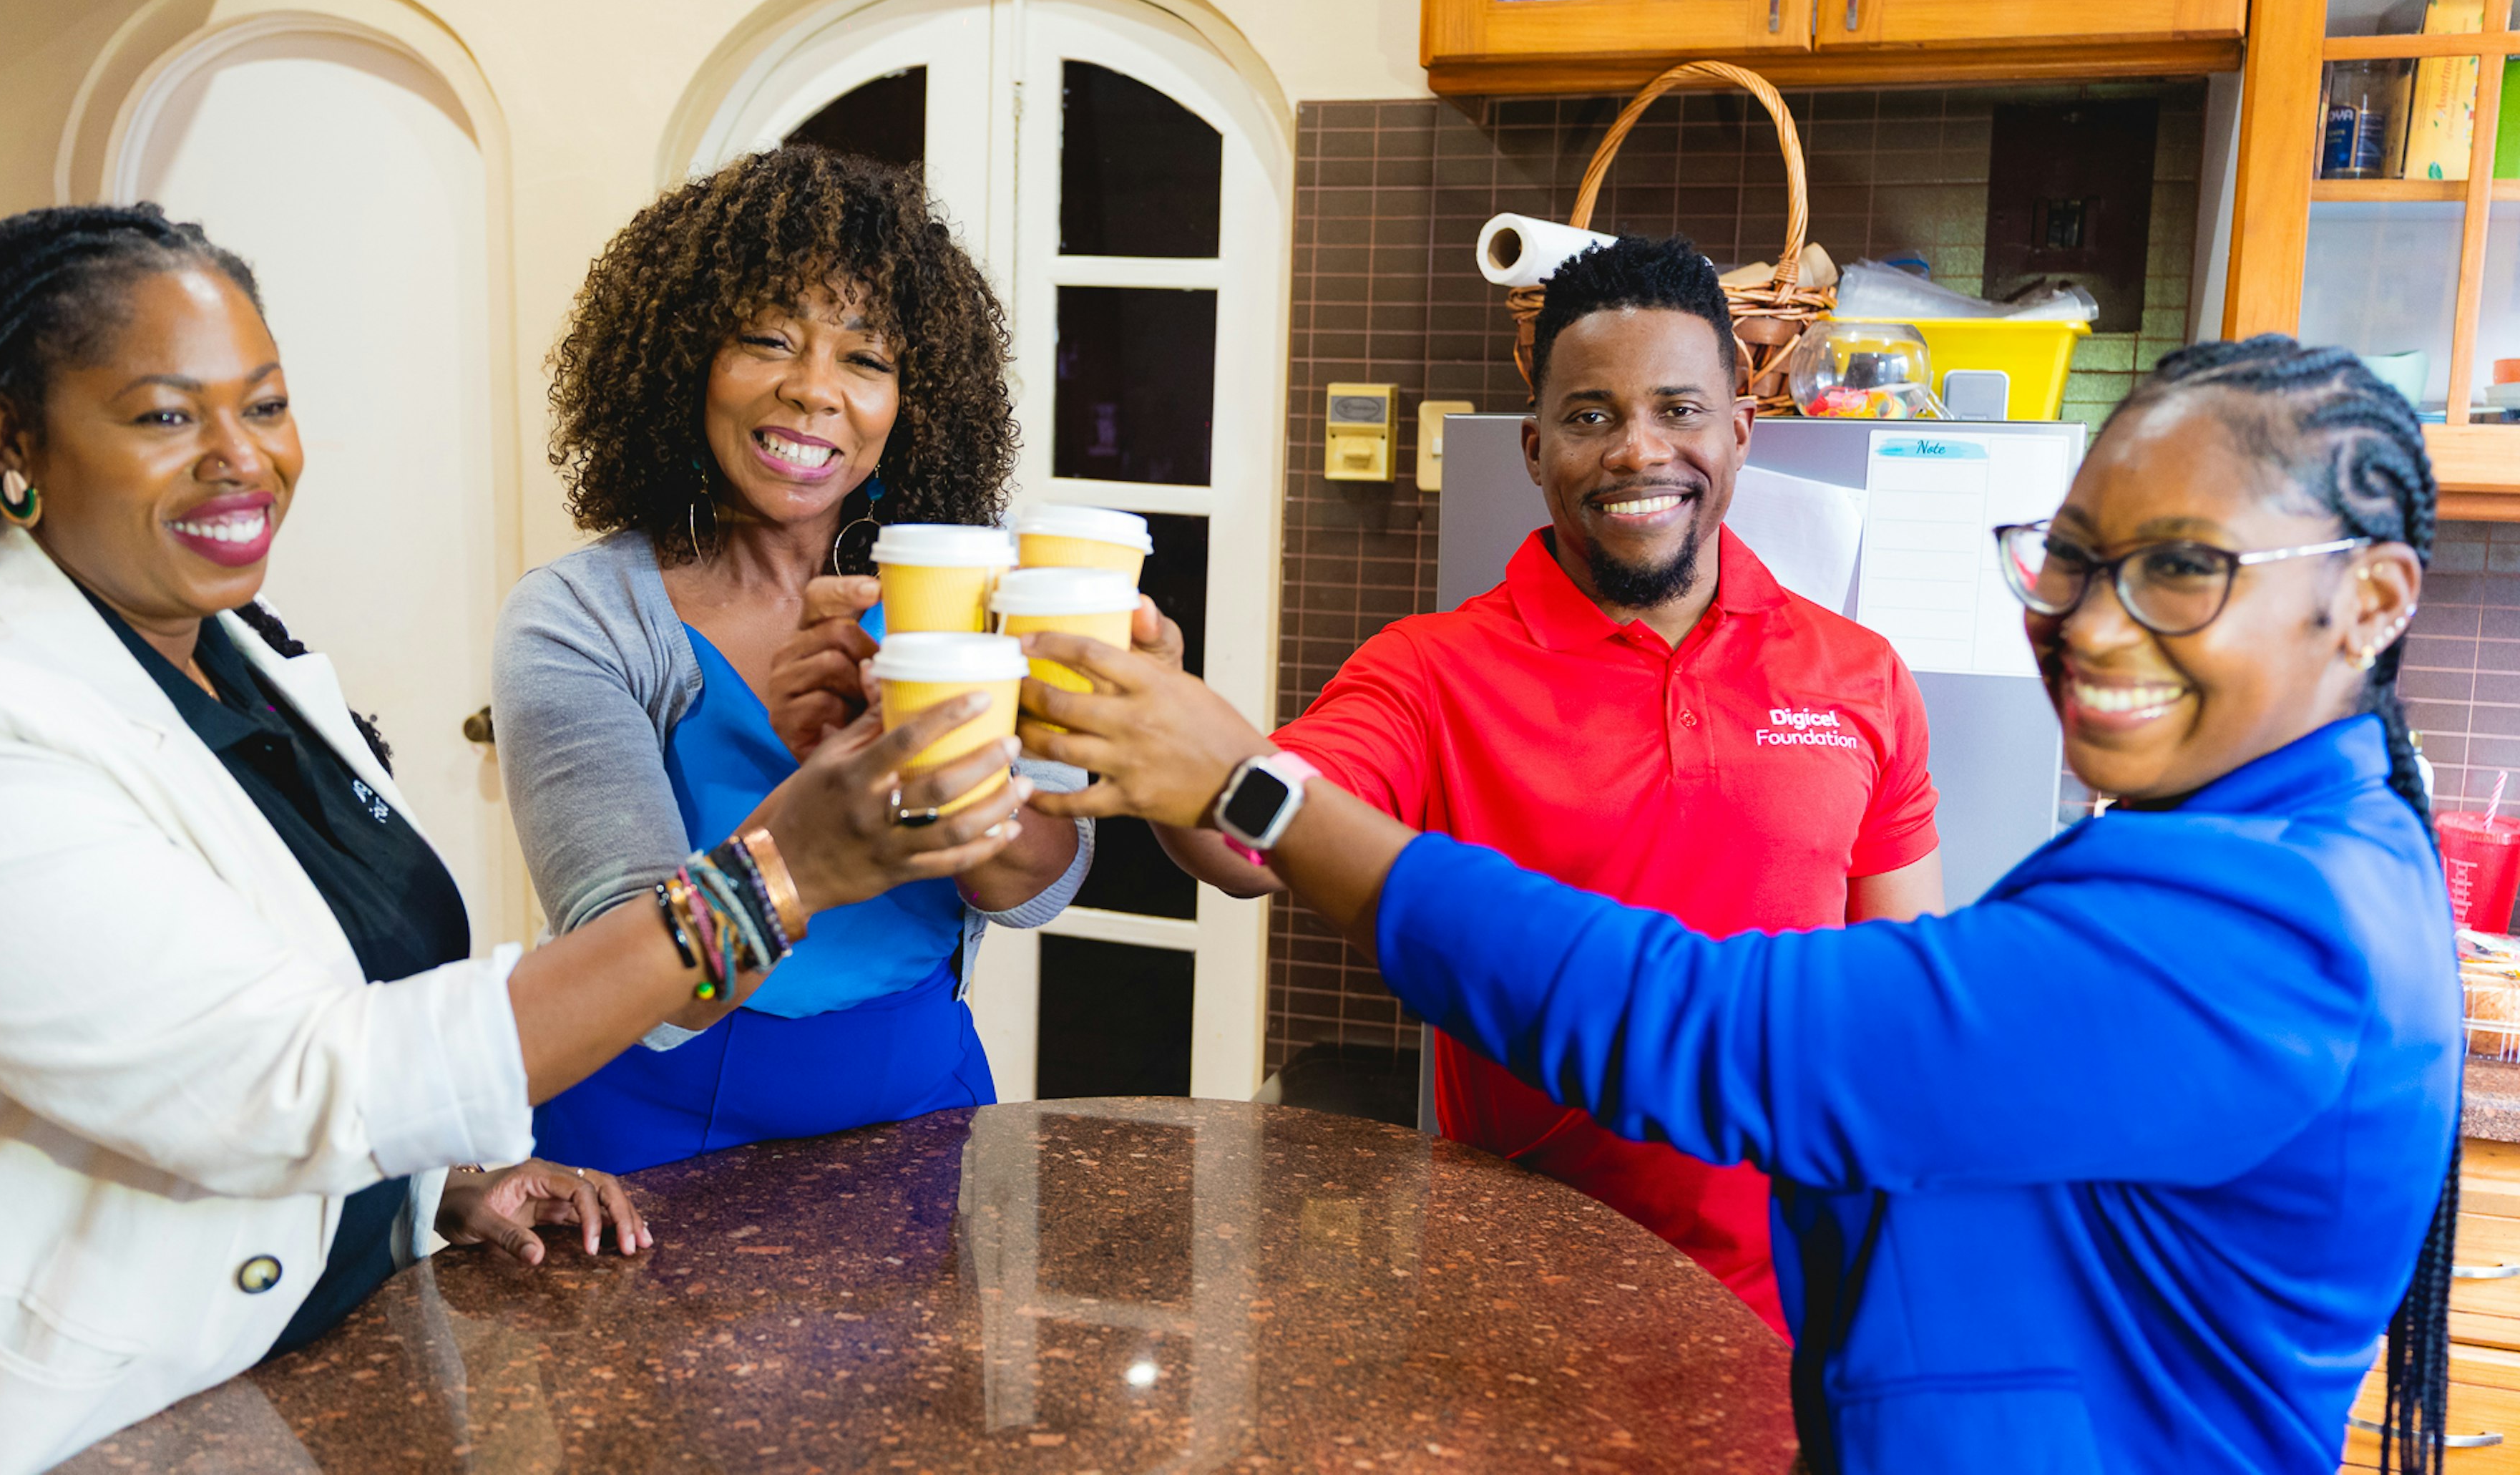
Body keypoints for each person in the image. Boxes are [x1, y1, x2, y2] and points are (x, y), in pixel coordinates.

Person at [1020, 336, 2459, 1474]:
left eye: (2182, 569)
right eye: (2069, 558)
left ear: (2376, 601)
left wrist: (1253, 785)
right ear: (1536, 447)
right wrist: (1214, 783)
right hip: (1543, 1298)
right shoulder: (2251, 852)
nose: (2088, 621)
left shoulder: (2271, 924)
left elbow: (1723, 1029)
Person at [0, 204, 1027, 1474]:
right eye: (164, 416)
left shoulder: (235, 660)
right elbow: (278, 1085)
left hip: (257, 1389)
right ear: (12, 437)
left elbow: (253, 1010)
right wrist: (775, 877)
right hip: (19, 1425)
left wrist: (441, 1186)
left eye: (265, 407)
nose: (239, 459)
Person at [1155, 234, 1943, 1332]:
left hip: (1787, 1307)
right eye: (1590, 416)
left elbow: (1899, 1006)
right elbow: (1240, 848)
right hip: (1510, 1305)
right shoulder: (1430, 672)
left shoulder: (1860, 676)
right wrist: (1166, 734)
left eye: (1679, 409)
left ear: (1740, 431)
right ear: (1535, 448)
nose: (1638, 450)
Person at [492, 145, 1095, 1174]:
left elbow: (1037, 887)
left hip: (923, 1105)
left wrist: (925, 744)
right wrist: (825, 809)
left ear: (912, 401)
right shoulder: (583, 618)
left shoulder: (969, 599)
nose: (814, 390)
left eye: (867, 360)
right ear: (686, 362)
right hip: (651, 1125)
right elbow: (648, 986)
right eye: (768, 339)